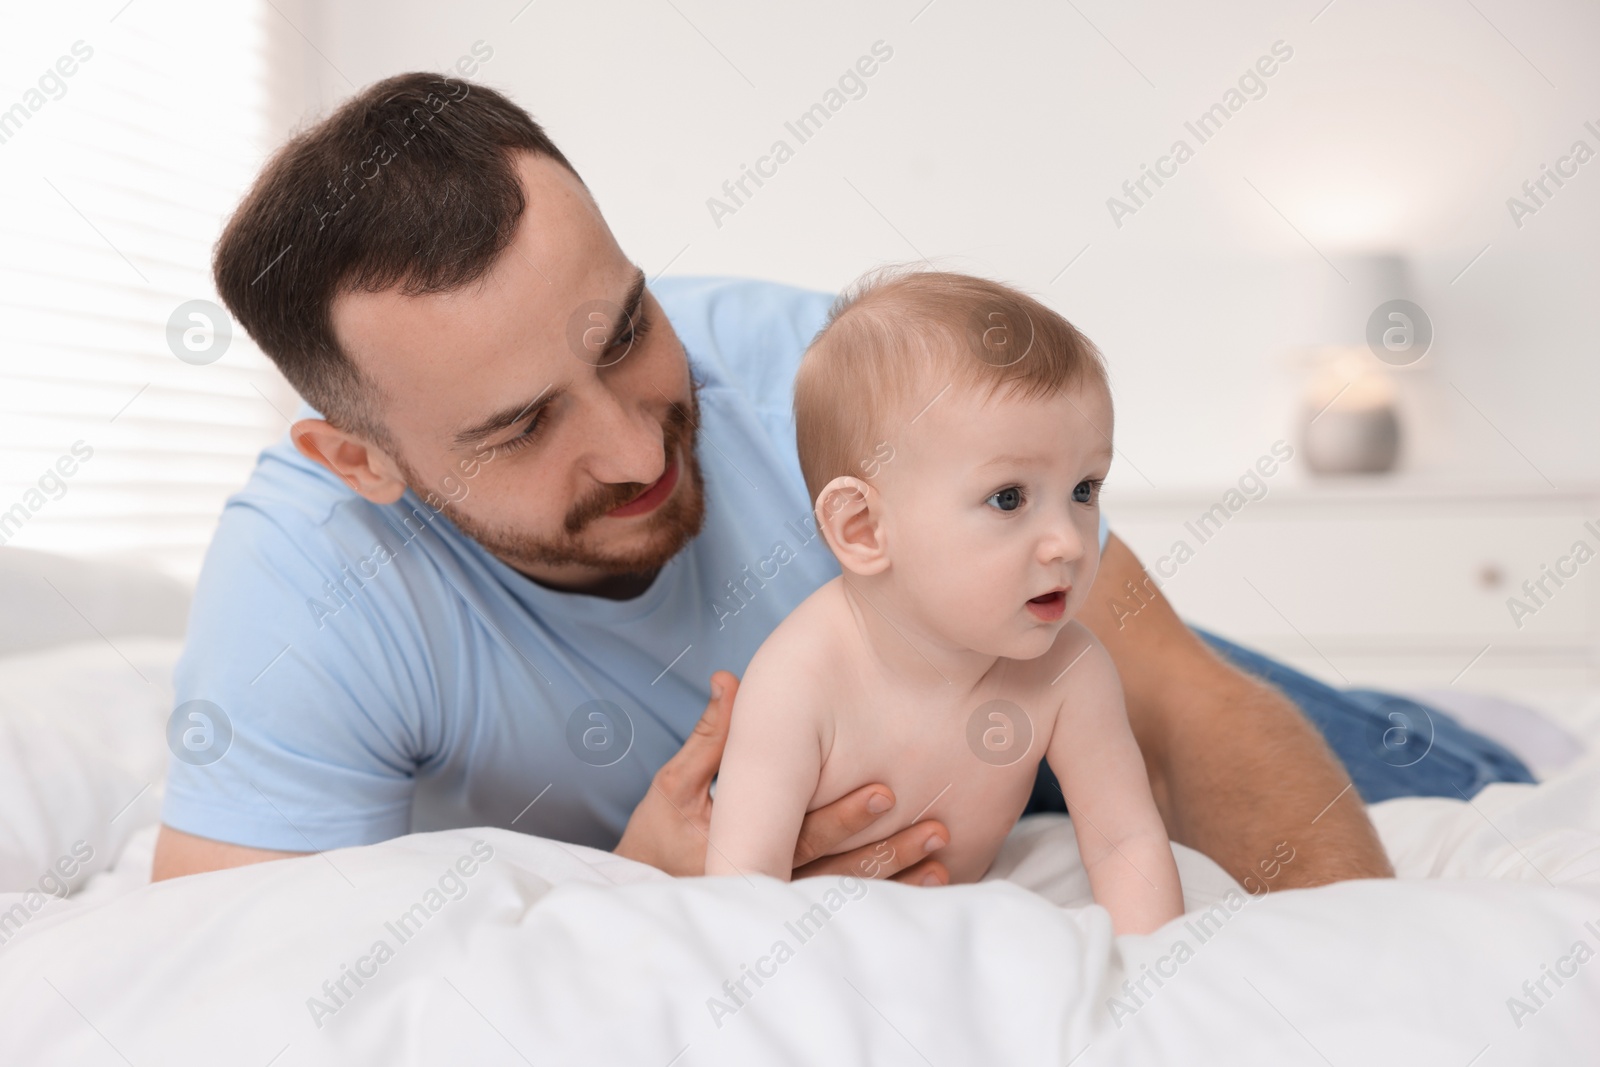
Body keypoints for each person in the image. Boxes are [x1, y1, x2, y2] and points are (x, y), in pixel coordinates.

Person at [151, 72, 1536, 888]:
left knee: (1465, 763)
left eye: (628, 329)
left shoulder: (824, 379)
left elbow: (1170, 695)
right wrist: (641, 889)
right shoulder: (310, 583)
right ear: (357, 458)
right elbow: (231, 965)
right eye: (519, 428)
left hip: (1041, 715)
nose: (639, 451)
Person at [704, 270, 1185, 935]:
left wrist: (1153, 973)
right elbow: (740, 889)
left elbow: (1124, 841)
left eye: (1084, 488)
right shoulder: (801, 677)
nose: (1068, 542)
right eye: (1008, 497)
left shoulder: (1068, 669)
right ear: (864, 529)